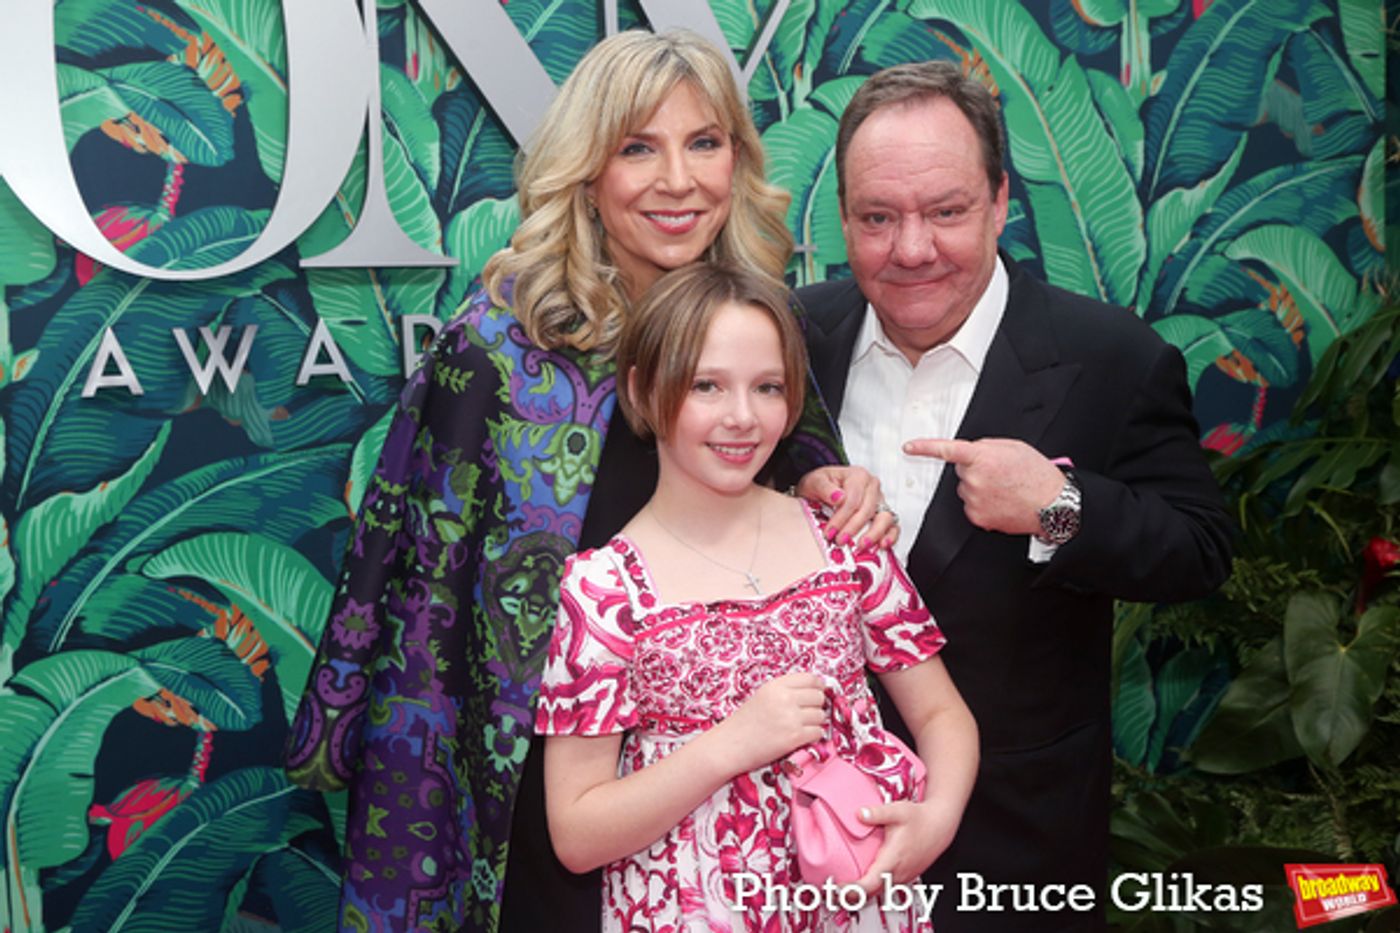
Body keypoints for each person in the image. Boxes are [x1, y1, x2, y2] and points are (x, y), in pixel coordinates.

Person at [283, 30, 892, 933]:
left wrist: (835, 486)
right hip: (548, 797)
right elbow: (419, 586)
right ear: (586, 170)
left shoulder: (761, 321)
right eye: (637, 147)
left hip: (744, 815)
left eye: (705, 142)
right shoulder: (499, 350)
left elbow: (797, 489)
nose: (678, 182)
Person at [797, 61, 1234, 932]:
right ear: (841, 219)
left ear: (1000, 201)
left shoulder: (1113, 355)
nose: (912, 248)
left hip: (1012, 851)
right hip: (800, 838)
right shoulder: (789, 337)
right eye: (878, 218)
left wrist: (1058, 506)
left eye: (947, 212)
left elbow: (1200, 550)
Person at [535, 261, 978, 932]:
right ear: (644, 391)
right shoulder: (604, 591)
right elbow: (576, 829)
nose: (742, 417)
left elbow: (944, 713)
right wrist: (730, 743)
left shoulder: (845, 539)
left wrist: (935, 819)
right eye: (706, 385)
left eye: (767, 387)